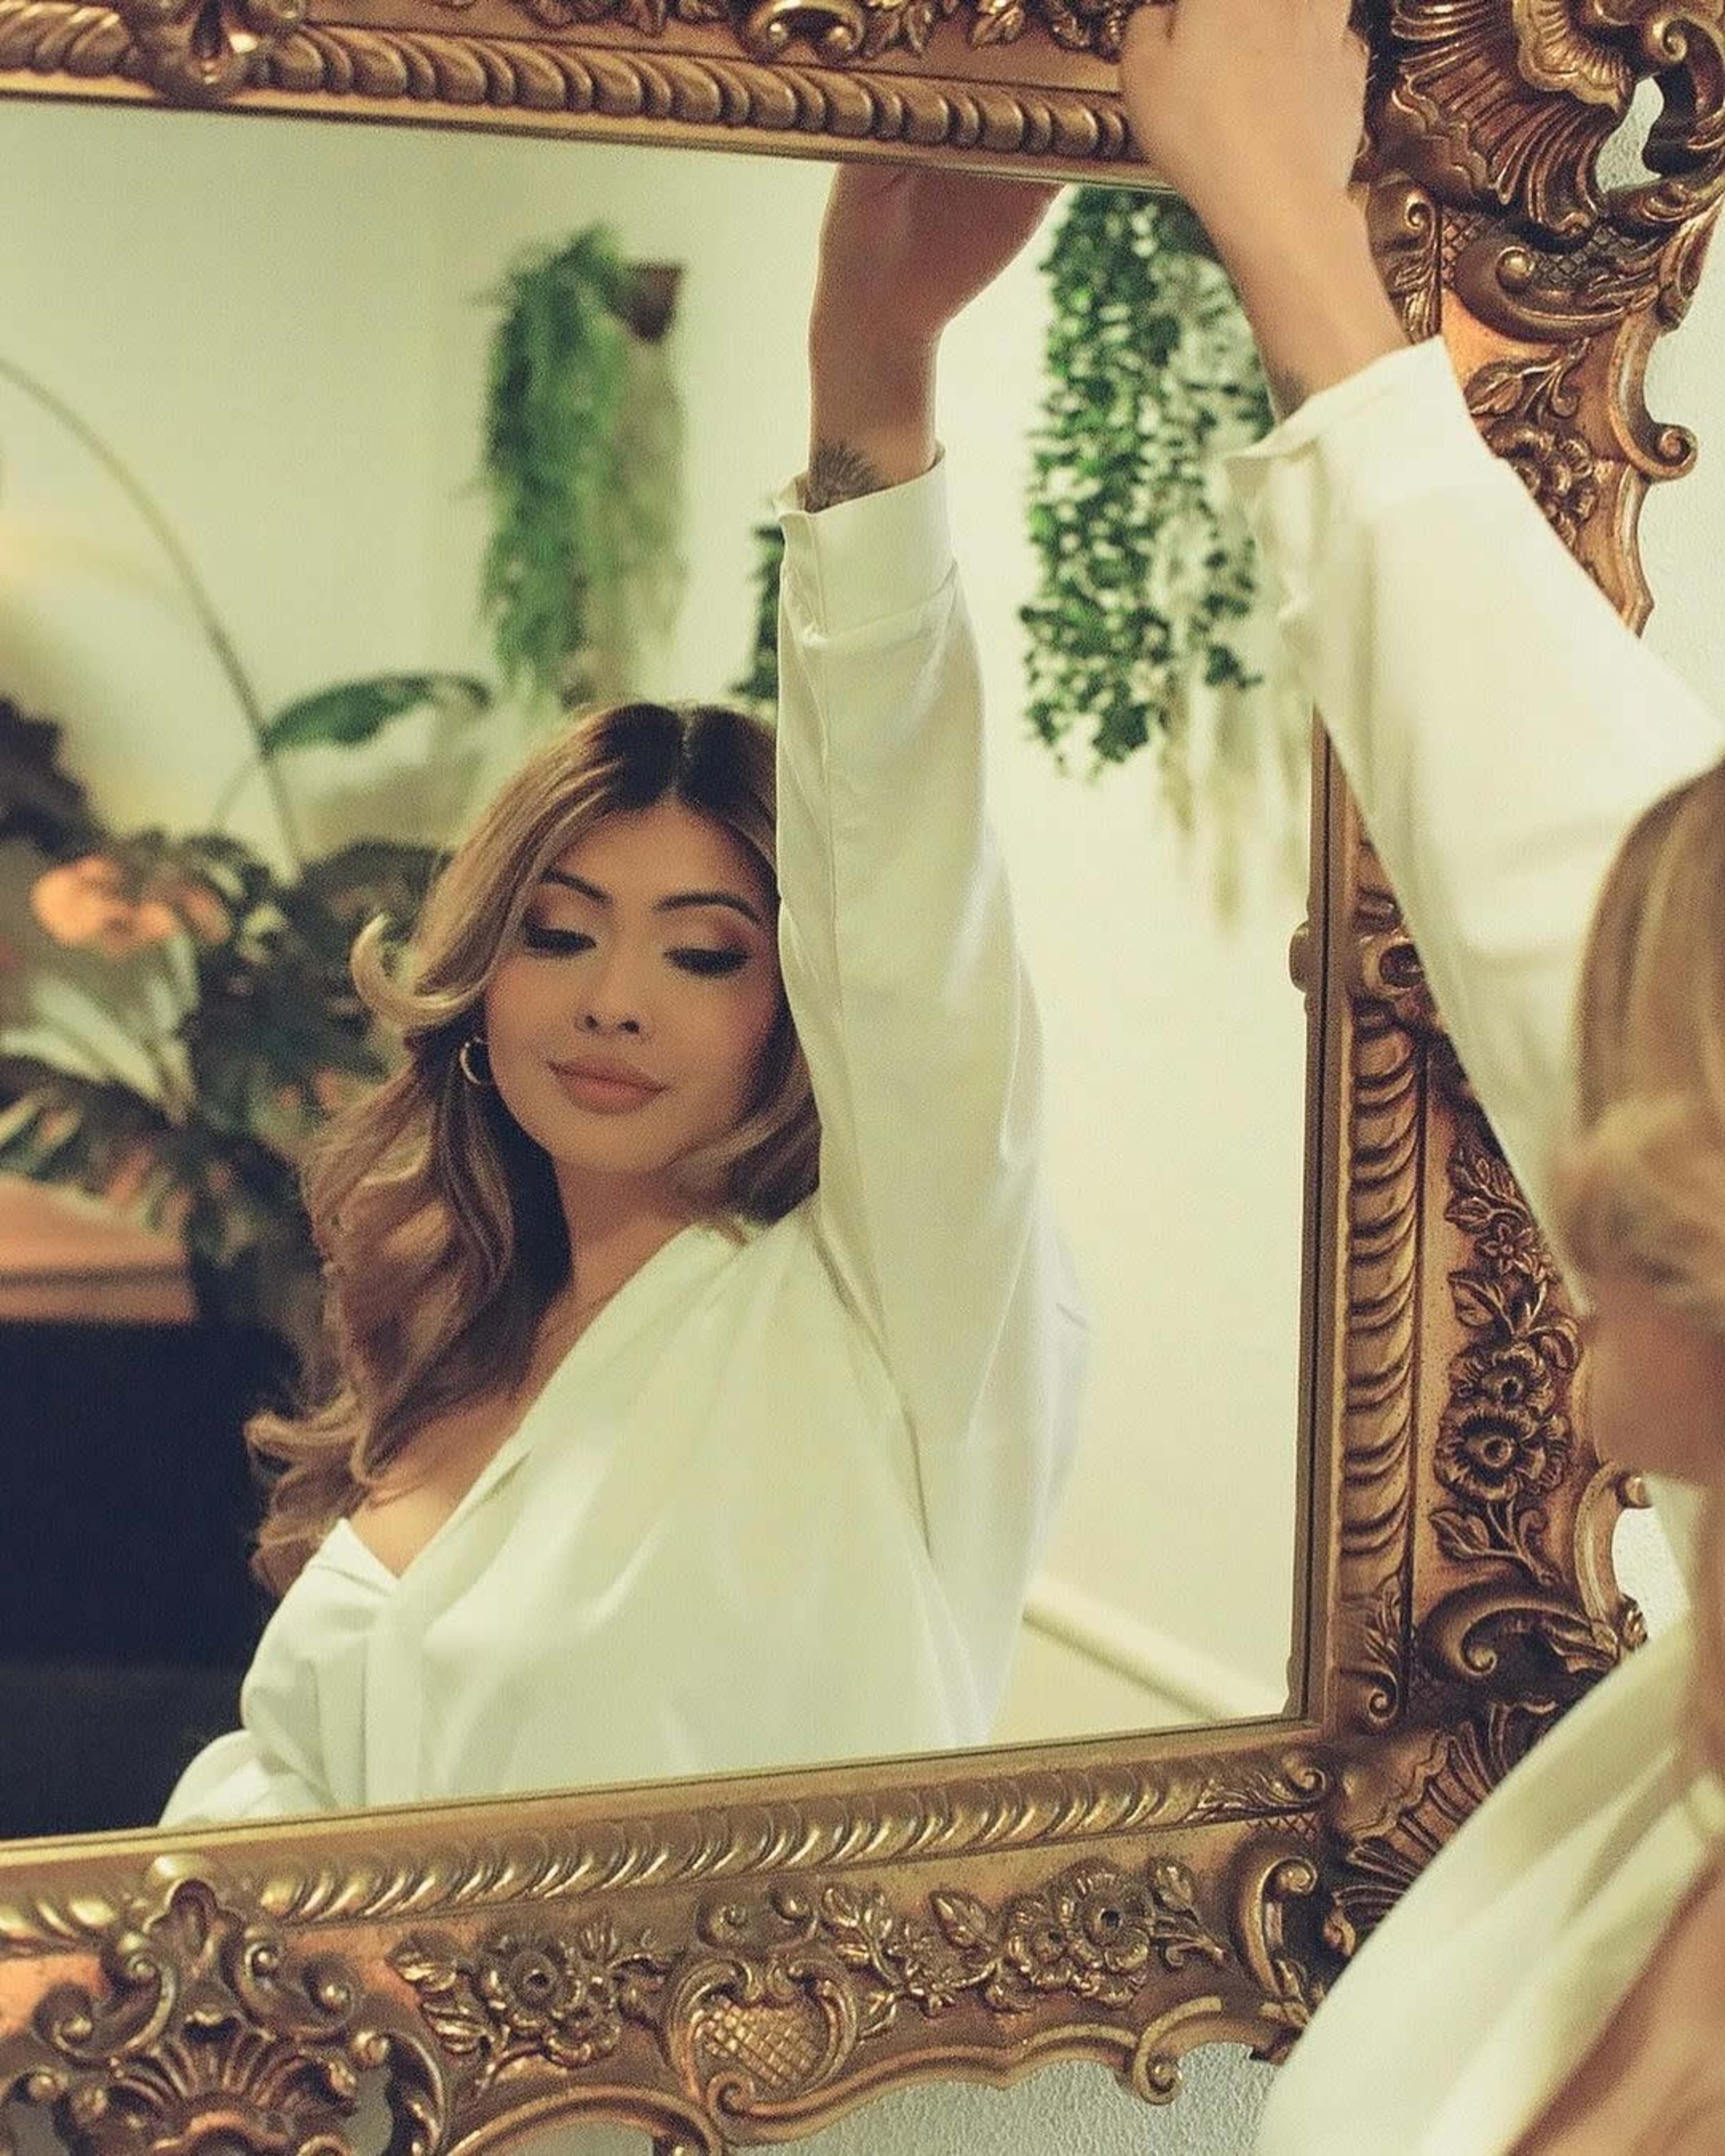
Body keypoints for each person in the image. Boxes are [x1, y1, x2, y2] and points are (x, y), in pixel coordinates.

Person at [160, 176, 1088, 1822]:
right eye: (563, 933)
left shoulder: (886, 1309)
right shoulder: (467, 1314)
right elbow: (301, 1775)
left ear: (794, 1002)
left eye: (704, 950)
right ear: (481, 972)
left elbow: (906, 917)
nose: (613, 1002)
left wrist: (869, 377)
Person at [1113, 0, 1725, 2146]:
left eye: (1648, 1217)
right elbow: (1559, 842)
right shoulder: (1661, 1800)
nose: (1573, 1247)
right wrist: (1292, 239)